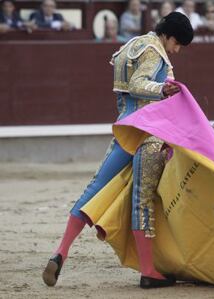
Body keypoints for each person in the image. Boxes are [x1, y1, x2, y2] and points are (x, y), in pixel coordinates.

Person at [42, 12, 194, 289]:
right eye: (178, 44)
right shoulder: (154, 52)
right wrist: (162, 90)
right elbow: (139, 85)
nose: (177, 50)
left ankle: (60, 251)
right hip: (148, 133)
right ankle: (149, 271)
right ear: (169, 36)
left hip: (124, 130)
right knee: (142, 199)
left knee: (95, 188)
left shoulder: (131, 45)